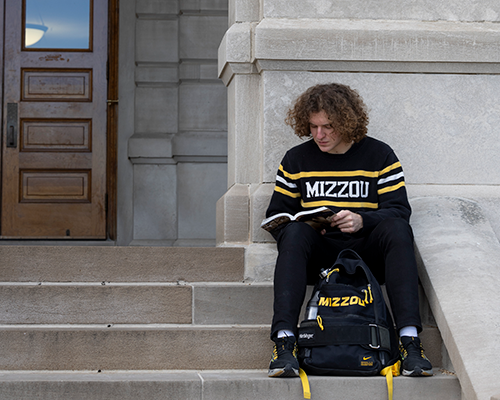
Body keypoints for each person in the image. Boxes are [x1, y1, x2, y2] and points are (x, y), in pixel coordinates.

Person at [264, 83, 433, 378]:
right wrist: (309, 226)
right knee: (292, 233)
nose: (319, 135)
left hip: (366, 254)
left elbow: (399, 211)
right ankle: (284, 343)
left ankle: (409, 342)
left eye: (328, 127)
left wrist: (361, 221)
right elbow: (276, 216)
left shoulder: (380, 155)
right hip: (319, 253)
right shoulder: (296, 160)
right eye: (314, 127)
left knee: (396, 230)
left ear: (346, 122)